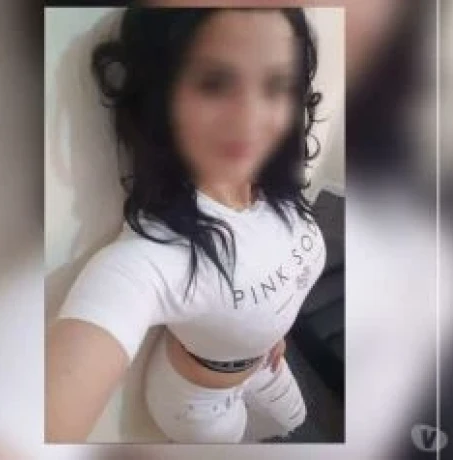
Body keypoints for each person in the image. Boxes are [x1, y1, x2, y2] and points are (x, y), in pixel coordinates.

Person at [46, 6, 326, 443]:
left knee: (294, 419)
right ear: (162, 97)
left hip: (269, 360)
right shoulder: (151, 255)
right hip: (199, 406)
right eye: (214, 83)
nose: (252, 118)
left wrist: (270, 330)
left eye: (278, 84)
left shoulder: (276, 184)